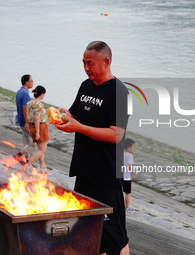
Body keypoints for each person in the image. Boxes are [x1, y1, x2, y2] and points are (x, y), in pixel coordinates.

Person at [56, 41, 130, 255]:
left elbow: (116, 134)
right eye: (84, 63)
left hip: (107, 175)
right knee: (86, 230)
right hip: (84, 171)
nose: (86, 68)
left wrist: (79, 127)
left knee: (115, 236)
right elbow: (76, 116)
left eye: (90, 63)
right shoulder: (85, 86)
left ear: (106, 62)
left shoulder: (119, 92)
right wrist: (64, 117)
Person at [13, 74, 37, 165]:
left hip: (20, 120)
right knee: (34, 143)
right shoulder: (25, 93)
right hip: (25, 121)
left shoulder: (19, 91)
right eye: (31, 81)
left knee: (27, 141)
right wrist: (27, 123)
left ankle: (27, 160)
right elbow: (25, 108)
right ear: (26, 82)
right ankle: (19, 155)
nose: (32, 83)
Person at [26, 85, 50, 174]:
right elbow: (37, 118)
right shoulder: (38, 104)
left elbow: (29, 117)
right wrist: (38, 132)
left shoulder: (29, 103)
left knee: (41, 149)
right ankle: (29, 165)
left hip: (32, 126)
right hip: (40, 126)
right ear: (42, 94)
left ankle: (43, 169)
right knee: (42, 150)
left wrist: (29, 128)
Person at [123, 138, 135, 213]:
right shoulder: (129, 156)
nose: (133, 149)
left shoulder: (122, 154)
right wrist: (133, 174)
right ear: (128, 147)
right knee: (127, 193)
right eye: (133, 147)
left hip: (120, 176)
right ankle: (127, 207)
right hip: (127, 177)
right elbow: (129, 166)